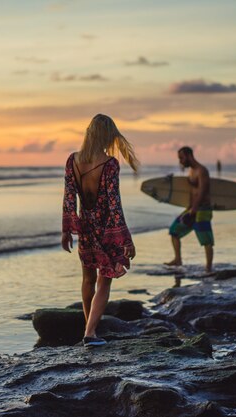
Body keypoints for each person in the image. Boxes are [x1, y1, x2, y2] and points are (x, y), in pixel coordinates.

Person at [61, 114, 138, 347]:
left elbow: (68, 198)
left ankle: (89, 328)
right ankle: (90, 333)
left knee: (87, 279)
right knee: (104, 282)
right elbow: (114, 203)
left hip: (85, 226)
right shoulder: (109, 164)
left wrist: (67, 230)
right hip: (106, 229)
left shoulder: (73, 160)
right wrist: (125, 238)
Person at [164, 146, 214, 273]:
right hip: (191, 209)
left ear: (189, 155)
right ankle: (178, 259)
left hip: (202, 210)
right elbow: (191, 192)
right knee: (174, 231)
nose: (180, 161)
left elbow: (202, 192)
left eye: (181, 158)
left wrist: (194, 209)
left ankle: (208, 268)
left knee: (205, 239)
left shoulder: (202, 171)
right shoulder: (191, 171)